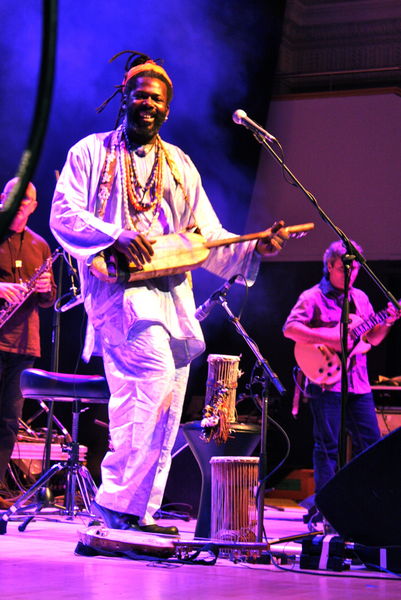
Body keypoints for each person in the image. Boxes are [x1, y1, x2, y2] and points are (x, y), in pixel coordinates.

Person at [50, 51, 288, 536]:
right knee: (150, 384)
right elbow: (64, 214)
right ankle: (115, 504)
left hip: (173, 300)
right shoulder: (90, 153)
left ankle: (140, 510)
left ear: (167, 109)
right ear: (124, 97)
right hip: (121, 298)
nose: (148, 104)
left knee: (167, 400)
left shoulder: (179, 164)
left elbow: (207, 235)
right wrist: (113, 235)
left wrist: (252, 248)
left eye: (157, 99)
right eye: (140, 95)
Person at [283, 240, 400, 528]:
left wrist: (388, 321)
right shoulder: (312, 297)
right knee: (327, 448)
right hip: (327, 382)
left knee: (371, 446)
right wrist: (331, 338)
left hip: (358, 383)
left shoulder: (360, 298)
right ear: (331, 266)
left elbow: (372, 338)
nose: (351, 274)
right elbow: (290, 329)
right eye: (345, 269)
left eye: (356, 269)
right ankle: (327, 513)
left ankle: (369, 508)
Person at [0, 178, 57, 501]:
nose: (21, 202)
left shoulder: (40, 245)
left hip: (24, 344)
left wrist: (46, 289)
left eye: (27, 199)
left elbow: (49, 300)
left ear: (34, 206)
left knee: (9, 421)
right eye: (15, 196)